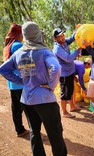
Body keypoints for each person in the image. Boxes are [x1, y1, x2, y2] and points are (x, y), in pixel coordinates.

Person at [0, 21, 67, 156]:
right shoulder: (44, 52)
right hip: (45, 100)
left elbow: (3, 69)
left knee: (34, 132)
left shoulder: (19, 53)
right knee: (55, 133)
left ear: (24, 35)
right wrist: (51, 85)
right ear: (38, 34)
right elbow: (56, 68)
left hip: (27, 99)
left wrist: (22, 82)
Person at [3, 23, 29, 137]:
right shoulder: (18, 46)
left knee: (16, 108)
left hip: (12, 83)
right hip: (21, 82)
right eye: (22, 34)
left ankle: (20, 130)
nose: (23, 36)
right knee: (29, 109)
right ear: (19, 34)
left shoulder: (7, 46)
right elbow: (26, 64)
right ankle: (35, 133)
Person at [53, 28, 82, 118]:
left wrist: (77, 31)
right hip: (64, 74)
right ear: (55, 39)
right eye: (60, 37)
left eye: (63, 35)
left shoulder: (64, 42)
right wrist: (77, 50)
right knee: (65, 93)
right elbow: (69, 58)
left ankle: (72, 107)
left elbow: (72, 38)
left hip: (69, 72)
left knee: (70, 90)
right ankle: (64, 112)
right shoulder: (57, 49)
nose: (62, 37)